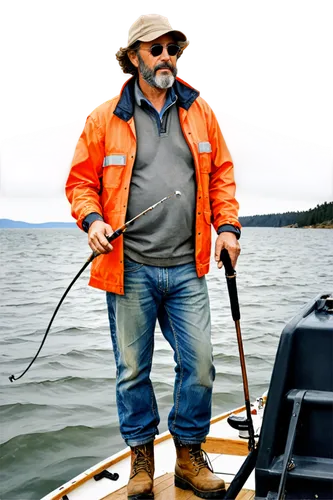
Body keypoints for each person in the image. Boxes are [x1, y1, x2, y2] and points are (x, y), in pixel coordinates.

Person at [65, 10, 241, 500]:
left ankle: (187, 454)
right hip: (130, 269)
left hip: (189, 266)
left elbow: (222, 175)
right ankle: (142, 460)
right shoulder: (103, 117)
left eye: (174, 49)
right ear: (133, 58)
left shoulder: (201, 111)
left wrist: (227, 228)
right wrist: (93, 220)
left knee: (201, 364)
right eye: (157, 49)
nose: (168, 57)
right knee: (132, 371)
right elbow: (81, 184)